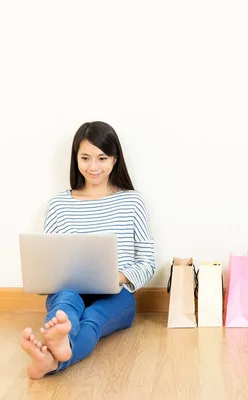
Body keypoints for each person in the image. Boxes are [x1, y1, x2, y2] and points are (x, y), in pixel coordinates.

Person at [20, 121, 156, 379]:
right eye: (85, 158)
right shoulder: (59, 205)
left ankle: (57, 352)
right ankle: (56, 351)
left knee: (92, 319)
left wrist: (114, 277)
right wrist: (45, 279)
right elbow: (49, 261)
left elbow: (147, 263)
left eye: (102, 158)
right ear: (76, 159)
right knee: (66, 304)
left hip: (117, 294)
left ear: (115, 159)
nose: (94, 167)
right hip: (70, 290)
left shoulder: (132, 202)